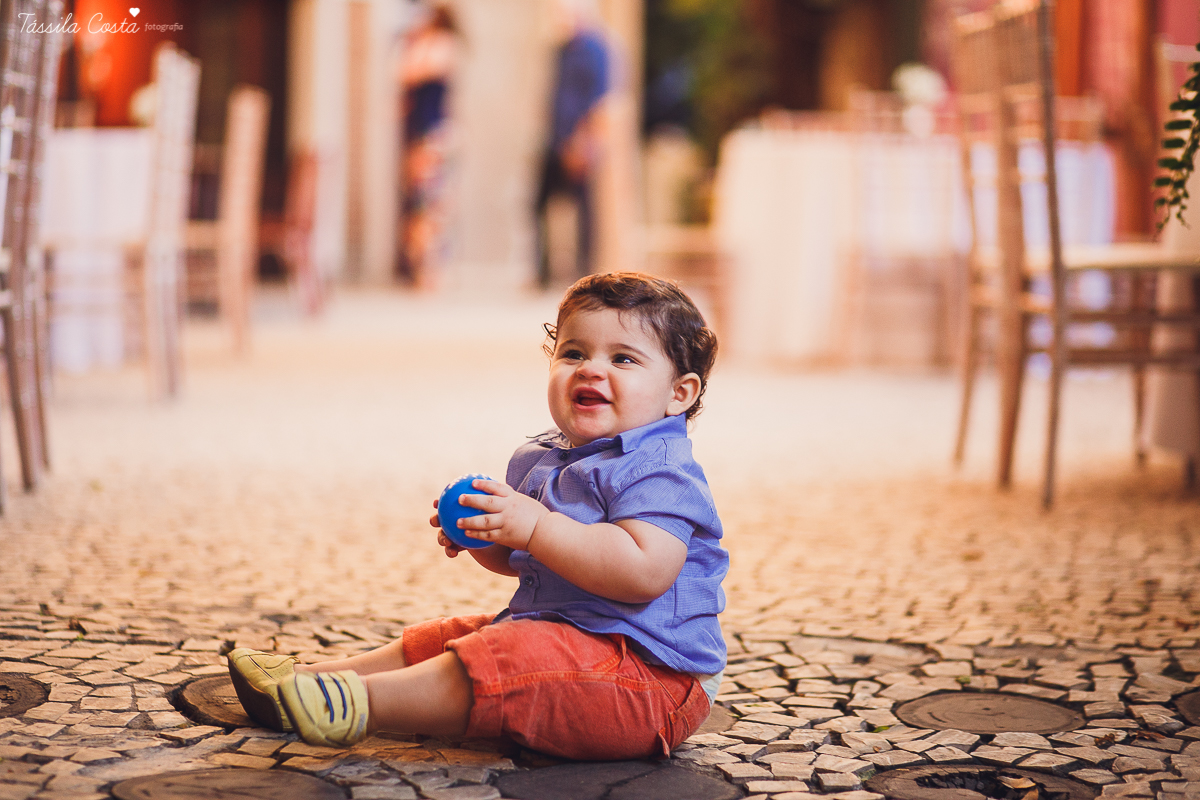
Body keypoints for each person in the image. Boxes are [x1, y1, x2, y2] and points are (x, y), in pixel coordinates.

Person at [227, 273, 726, 761]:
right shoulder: (548, 459)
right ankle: (314, 678)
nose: (591, 369)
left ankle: (360, 704)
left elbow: (643, 572)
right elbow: (528, 562)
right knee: (460, 635)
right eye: (573, 352)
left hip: (651, 681)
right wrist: (488, 538)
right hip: (572, 640)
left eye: (623, 358)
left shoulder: (660, 470)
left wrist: (535, 525)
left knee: (513, 652)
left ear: (678, 394)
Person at [534, 0, 611, 288]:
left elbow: (598, 100)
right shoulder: (560, 50)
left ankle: (587, 275)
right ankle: (544, 271)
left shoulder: (596, 49)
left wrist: (584, 142)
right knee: (539, 204)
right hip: (554, 138)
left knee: (584, 210)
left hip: (579, 140)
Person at [397, 4, 460, 289]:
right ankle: (422, 269)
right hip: (417, 135)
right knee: (420, 204)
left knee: (431, 205)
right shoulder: (419, 42)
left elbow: (408, 70)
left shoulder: (443, 44)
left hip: (433, 135)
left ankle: (431, 271)